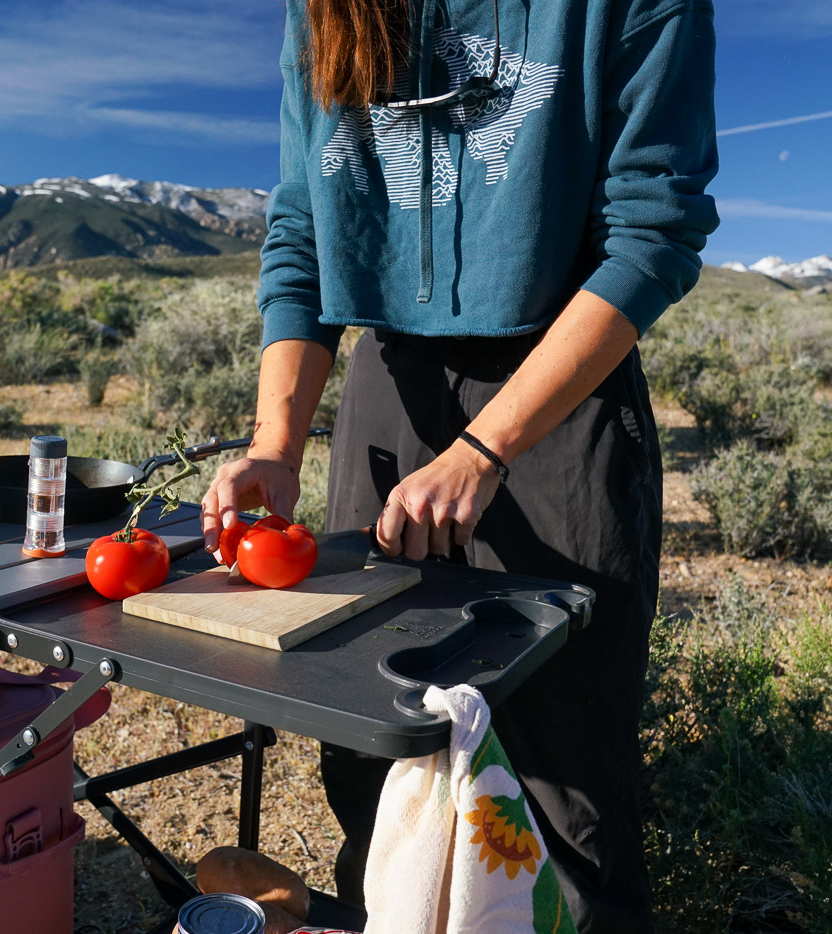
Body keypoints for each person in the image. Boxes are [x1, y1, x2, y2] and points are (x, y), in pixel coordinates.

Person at [200, 0, 717, 931]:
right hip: (386, 387)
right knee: (372, 742)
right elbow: (303, 236)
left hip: (562, 394)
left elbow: (656, 228)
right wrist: (274, 448)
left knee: (564, 762)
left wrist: (488, 446)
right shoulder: (325, 11)